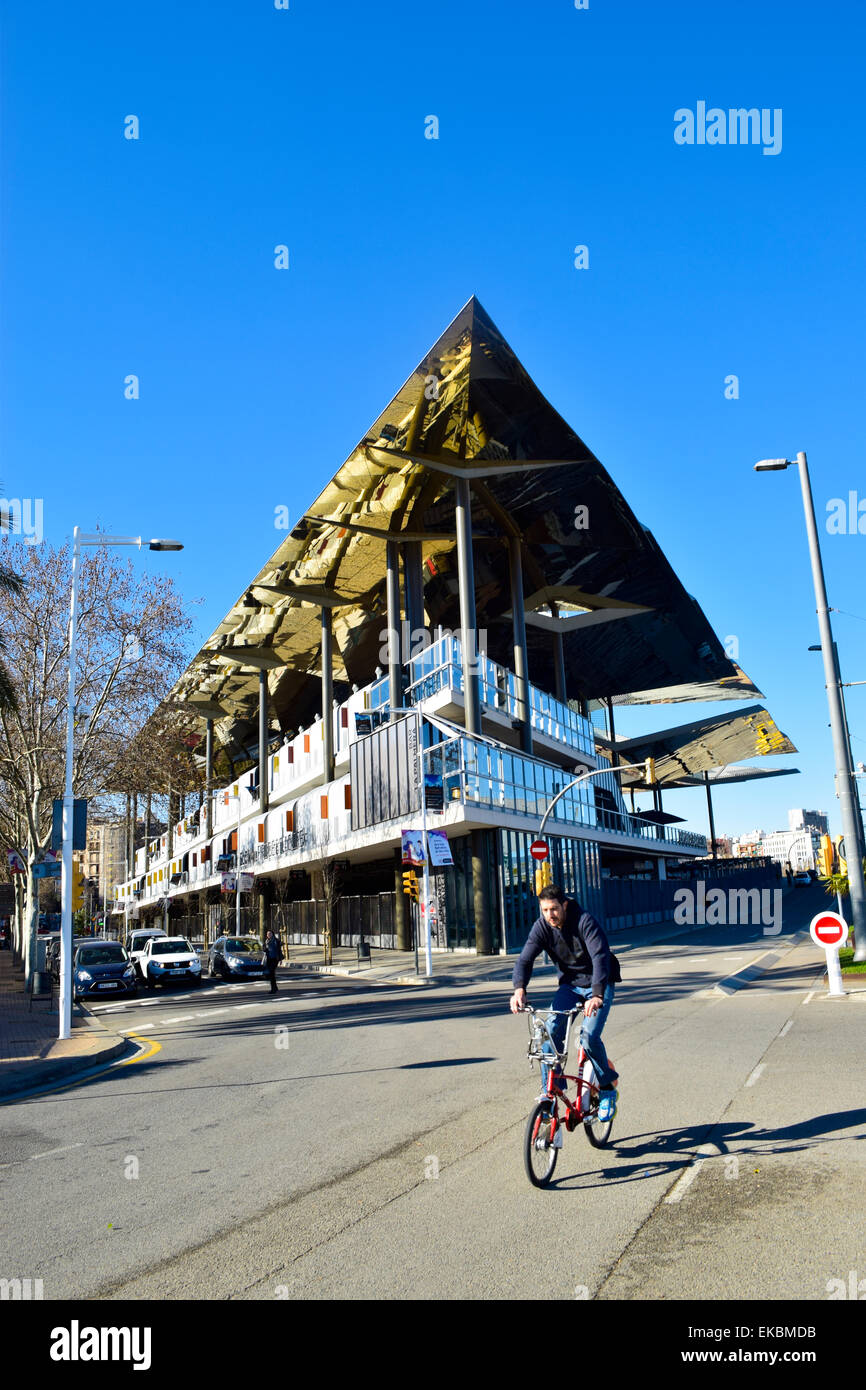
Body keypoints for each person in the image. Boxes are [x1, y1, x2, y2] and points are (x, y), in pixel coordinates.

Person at [509, 883, 621, 1122]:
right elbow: (524, 960)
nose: (550, 915)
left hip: (599, 983)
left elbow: (601, 957)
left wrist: (598, 994)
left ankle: (607, 1089)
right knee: (549, 1032)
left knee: (589, 1036)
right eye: (545, 909)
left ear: (565, 905)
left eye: (554, 909)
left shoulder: (584, 921)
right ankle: (550, 1090)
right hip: (569, 985)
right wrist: (519, 989)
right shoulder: (542, 927)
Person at [264, 928, 283, 993]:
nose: (268, 935)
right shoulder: (266, 941)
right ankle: (275, 988)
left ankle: (273, 989)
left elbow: (279, 950)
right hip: (269, 959)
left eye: (270, 933)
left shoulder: (276, 941)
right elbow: (264, 949)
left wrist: (280, 960)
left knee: (272, 972)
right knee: (271, 974)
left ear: (272, 934)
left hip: (275, 959)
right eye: (267, 934)